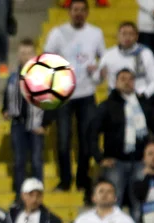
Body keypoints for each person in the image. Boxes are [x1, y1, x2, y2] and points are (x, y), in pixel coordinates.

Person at [44, 0, 105, 192]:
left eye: (81, 10)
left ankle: (82, 180)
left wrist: (98, 71)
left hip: (87, 93)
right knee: (63, 140)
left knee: (87, 139)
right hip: (63, 95)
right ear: (69, 12)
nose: (78, 13)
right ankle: (64, 180)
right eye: (75, 10)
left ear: (87, 12)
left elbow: (105, 61)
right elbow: (45, 59)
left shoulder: (96, 33)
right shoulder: (57, 33)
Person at [90, 69, 154, 217]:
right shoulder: (107, 105)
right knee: (113, 202)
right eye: (122, 78)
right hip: (115, 162)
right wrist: (100, 157)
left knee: (138, 203)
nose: (127, 82)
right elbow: (91, 132)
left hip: (140, 162)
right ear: (115, 83)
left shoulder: (143, 104)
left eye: (130, 79)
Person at [3, 38, 50, 194]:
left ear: (35, 55)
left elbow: (51, 103)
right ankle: (20, 194)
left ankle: (37, 193)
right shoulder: (12, 77)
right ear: (18, 55)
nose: (25, 56)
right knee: (19, 161)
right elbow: (6, 96)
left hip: (36, 124)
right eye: (22, 53)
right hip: (17, 124)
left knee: (36, 161)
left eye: (29, 53)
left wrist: (45, 124)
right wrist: (5, 109)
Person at [94, 22, 154, 104]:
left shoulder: (145, 53)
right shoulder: (108, 55)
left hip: (142, 98)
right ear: (118, 36)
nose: (127, 37)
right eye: (124, 34)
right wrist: (100, 75)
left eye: (131, 34)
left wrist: (143, 95)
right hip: (116, 101)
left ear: (137, 36)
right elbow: (96, 80)